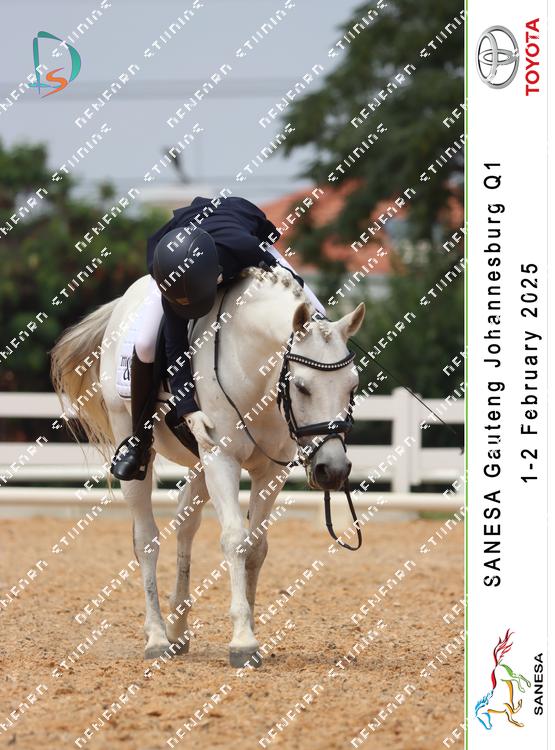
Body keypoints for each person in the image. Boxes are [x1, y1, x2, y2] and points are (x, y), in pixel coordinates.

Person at [110, 195, 325, 481]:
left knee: (319, 314)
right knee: (145, 343)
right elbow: (175, 344)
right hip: (181, 249)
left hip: (238, 232)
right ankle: (139, 440)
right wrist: (187, 408)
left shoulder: (249, 251)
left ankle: (322, 434)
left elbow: (292, 290)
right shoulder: (169, 272)